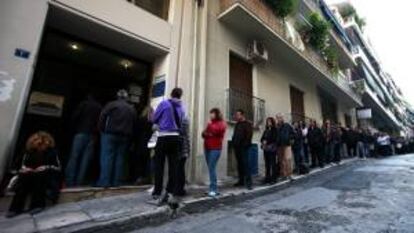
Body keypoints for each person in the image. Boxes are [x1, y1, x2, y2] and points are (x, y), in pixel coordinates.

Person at [6, 132, 61, 218]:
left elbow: (58, 168)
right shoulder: (27, 152)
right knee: (25, 176)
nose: (41, 146)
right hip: (28, 176)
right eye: (39, 144)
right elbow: (14, 168)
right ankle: (15, 208)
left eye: (43, 144)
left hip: (44, 176)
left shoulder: (52, 152)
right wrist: (23, 169)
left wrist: (46, 167)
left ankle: (37, 205)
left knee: (40, 175)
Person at [152, 87, 186, 205]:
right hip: (175, 137)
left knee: (159, 165)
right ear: (180, 96)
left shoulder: (164, 104)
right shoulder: (182, 108)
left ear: (171, 94)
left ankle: (157, 192)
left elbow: (154, 118)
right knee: (173, 166)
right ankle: (170, 191)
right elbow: (181, 123)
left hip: (163, 136)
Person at [97, 89, 137, 187]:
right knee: (120, 159)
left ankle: (104, 182)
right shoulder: (131, 108)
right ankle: (116, 182)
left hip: (110, 134)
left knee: (106, 157)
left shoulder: (111, 105)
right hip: (125, 136)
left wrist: (101, 129)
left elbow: (102, 116)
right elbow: (135, 123)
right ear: (126, 97)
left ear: (118, 96)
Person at [65, 94, 102, 187]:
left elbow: (75, 117)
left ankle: (70, 181)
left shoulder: (83, 104)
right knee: (85, 160)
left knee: (74, 157)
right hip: (92, 135)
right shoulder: (99, 107)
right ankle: (79, 182)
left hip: (80, 132)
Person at [202, 108, 227, 196]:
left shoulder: (222, 123)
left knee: (212, 168)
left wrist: (209, 131)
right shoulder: (211, 123)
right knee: (210, 168)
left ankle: (214, 189)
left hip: (215, 148)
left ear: (216, 114)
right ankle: (212, 188)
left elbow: (217, 131)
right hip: (207, 147)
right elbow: (203, 134)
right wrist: (208, 133)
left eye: (212, 114)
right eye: (210, 114)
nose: (210, 115)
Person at [232, 109, 253, 190]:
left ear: (242, 115)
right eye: (236, 115)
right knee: (240, 165)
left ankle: (249, 183)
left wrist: (245, 145)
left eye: (238, 115)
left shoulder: (247, 124)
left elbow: (249, 136)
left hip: (244, 148)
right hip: (237, 147)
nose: (236, 116)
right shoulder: (237, 124)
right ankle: (241, 181)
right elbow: (235, 135)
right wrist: (234, 143)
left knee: (246, 165)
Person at [276, 115, 294, 180]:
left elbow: (292, 133)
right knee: (281, 161)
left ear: (282, 118)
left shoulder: (287, 125)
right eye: (277, 118)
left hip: (287, 144)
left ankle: (290, 175)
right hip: (279, 145)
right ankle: (284, 175)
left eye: (280, 117)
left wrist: (291, 139)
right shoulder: (276, 126)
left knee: (288, 160)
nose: (279, 119)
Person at [260, 117, 278, 184]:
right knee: (267, 164)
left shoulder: (275, 130)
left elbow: (275, 138)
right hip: (266, 149)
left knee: (273, 164)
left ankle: (274, 179)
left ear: (272, 122)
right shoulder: (266, 130)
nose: (268, 123)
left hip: (272, 149)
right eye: (267, 121)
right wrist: (263, 141)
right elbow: (262, 138)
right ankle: (267, 178)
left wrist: (266, 141)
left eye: (270, 121)